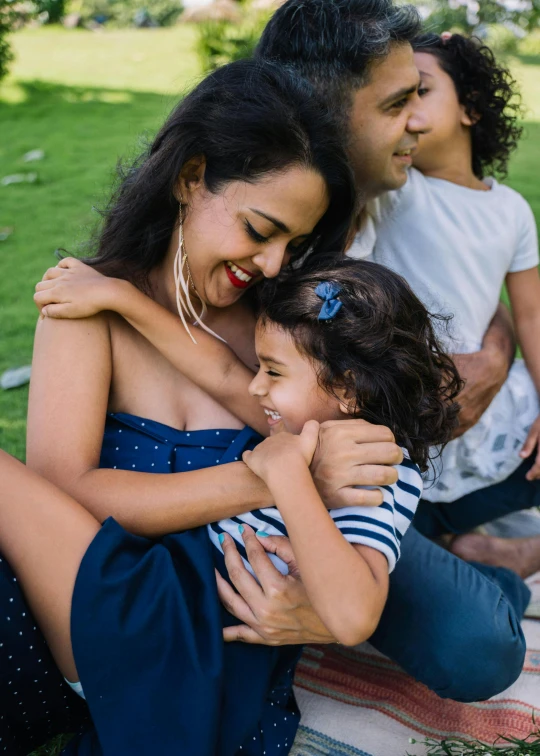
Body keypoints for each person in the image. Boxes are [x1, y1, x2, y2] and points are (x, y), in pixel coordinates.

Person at [0, 59, 407, 755]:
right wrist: (280, 475)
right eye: (260, 229)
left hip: (204, 642)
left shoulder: (285, 337)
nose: (277, 264)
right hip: (76, 619)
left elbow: (337, 463)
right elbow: (62, 498)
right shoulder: (85, 310)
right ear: (191, 177)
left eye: (295, 244)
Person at [255, 0, 529, 701]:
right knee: (479, 646)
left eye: (421, 95)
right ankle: (482, 571)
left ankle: (470, 556)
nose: (415, 121)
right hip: (312, 480)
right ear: (326, 111)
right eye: (399, 102)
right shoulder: (266, 234)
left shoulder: (384, 195)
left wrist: (495, 352)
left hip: (403, 462)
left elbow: (476, 271)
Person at [34, 253, 461, 700]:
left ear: (346, 388)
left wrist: (289, 477)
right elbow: (219, 371)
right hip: (171, 596)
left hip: (180, 638)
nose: (256, 386)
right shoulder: (309, 422)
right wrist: (122, 298)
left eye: (272, 371)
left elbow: (354, 618)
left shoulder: (369, 472)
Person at [348, 33, 540, 578]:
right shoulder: (394, 189)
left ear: (471, 109)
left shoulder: (511, 210)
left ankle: (524, 551)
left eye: (420, 92)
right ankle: (473, 558)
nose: (405, 113)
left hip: (489, 423)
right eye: (394, 98)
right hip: (407, 430)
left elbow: (530, 314)